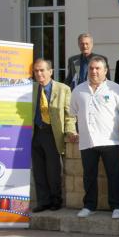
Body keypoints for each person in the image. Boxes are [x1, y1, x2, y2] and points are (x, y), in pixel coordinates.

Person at [69, 56, 119, 219]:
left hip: (110, 141)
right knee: (89, 176)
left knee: (114, 175)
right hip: (87, 141)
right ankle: (89, 205)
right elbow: (73, 114)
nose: (94, 71)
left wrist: (116, 129)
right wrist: (73, 131)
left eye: (98, 68)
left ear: (105, 70)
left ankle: (117, 206)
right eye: (91, 68)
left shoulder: (118, 90)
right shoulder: (78, 91)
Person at [31, 59, 76, 212]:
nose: (39, 74)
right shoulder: (31, 89)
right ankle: (43, 202)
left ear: (50, 71)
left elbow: (69, 114)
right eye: (36, 71)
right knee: (38, 170)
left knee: (53, 170)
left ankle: (55, 200)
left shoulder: (63, 89)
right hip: (35, 133)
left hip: (52, 133)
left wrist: (71, 131)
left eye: (42, 70)